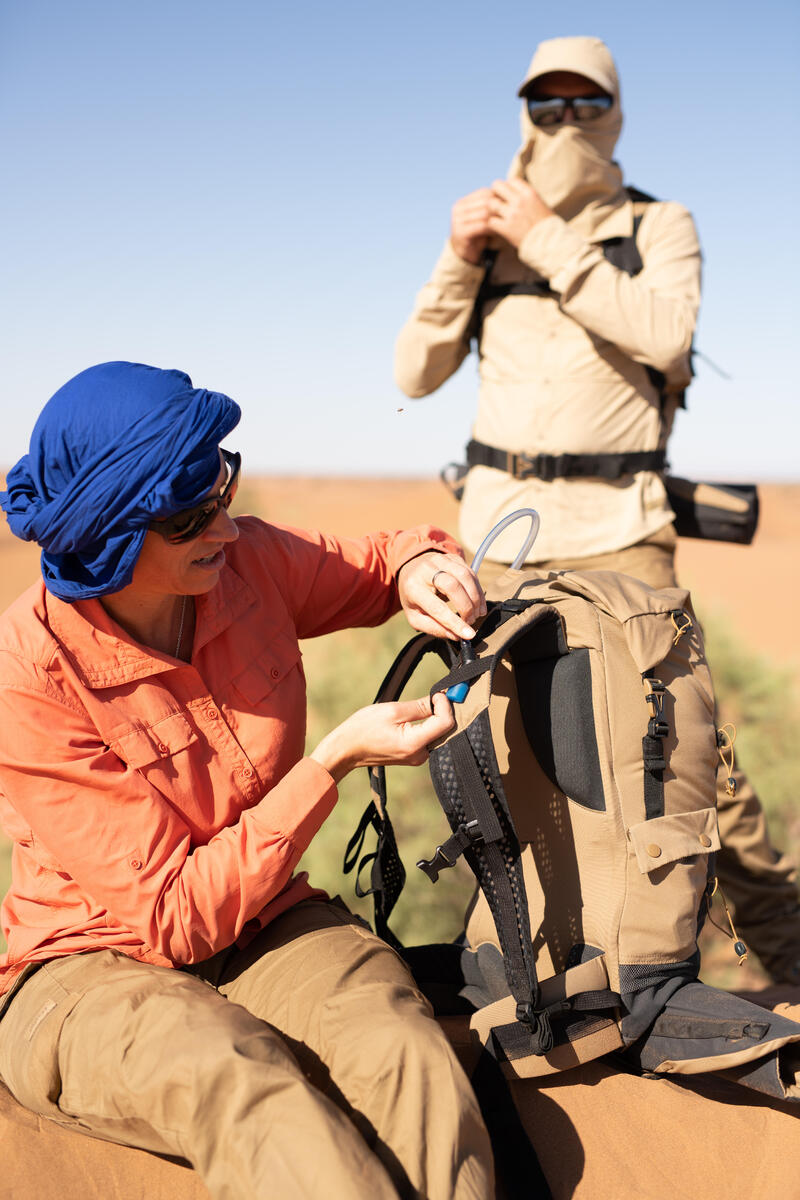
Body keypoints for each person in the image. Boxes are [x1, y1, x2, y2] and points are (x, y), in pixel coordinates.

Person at [0, 361, 494, 1200]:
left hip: (264, 925)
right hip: (91, 967)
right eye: (192, 517)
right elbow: (171, 917)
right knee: (244, 1084)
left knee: (404, 1050)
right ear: (114, 536)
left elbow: (383, 560)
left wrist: (419, 570)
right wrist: (333, 763)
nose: (224, 529)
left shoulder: (247, 563)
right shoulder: (30, 676)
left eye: (223, 487)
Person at [394, 36, 800, 983]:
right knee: (500, 758)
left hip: (624, 534)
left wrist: (545, 235)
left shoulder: (658, 224)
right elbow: (414, 372)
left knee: (695, 763)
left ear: (614, 113)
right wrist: (463, 258)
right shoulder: (485, 236)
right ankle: (526, 964)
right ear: (523, 112)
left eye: (585, 106)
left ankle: (786, 965)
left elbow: (665, 333)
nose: (565, 124)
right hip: (500, 539)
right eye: (547, 105)